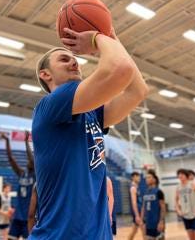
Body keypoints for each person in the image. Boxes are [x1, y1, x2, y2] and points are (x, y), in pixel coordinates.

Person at [30, 27, 149, 239]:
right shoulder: (50, 104)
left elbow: (138, 91)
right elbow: (120, 69)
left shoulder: (92, 113)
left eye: (74, 58)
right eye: (64, 60)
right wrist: (97, 38)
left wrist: (112, 37)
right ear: (45, 74)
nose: (74, 62)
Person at [0, 130, 35, 240]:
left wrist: (26, 142)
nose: (28, 161)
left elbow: (30, 158)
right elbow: (10, 158)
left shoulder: (35, 175)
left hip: (28, 218)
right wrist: (7, 141)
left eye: (31, 161)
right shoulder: (21, 173)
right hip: (17, 216)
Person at [175, 169, 195, 240]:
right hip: (185, 216)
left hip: (194, 215)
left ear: (186, 176)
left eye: (182, 174)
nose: (180, 176)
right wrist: (178, 210)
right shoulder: (178, 187)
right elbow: (175, 200)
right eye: (179, 175)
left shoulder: (193, 184)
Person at [141, 171, 165, 240]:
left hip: (157, 223)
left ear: (154, 179)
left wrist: (161, 221)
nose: (147, 179)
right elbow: (143, 207)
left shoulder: (158, 192)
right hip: (148, 224)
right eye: (146, 178)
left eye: (149, 177)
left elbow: (163, 208)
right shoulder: (145, 192)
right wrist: (142, 221)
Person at [129, 172, 144, 240]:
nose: (139, 178)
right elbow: (134, 202)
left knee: (134, 231)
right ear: (133, 177)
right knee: (144, 230)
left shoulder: (136, 187)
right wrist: (137, 215)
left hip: (139, 211)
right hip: (137, 212)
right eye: (137, 176)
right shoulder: (133, 188)